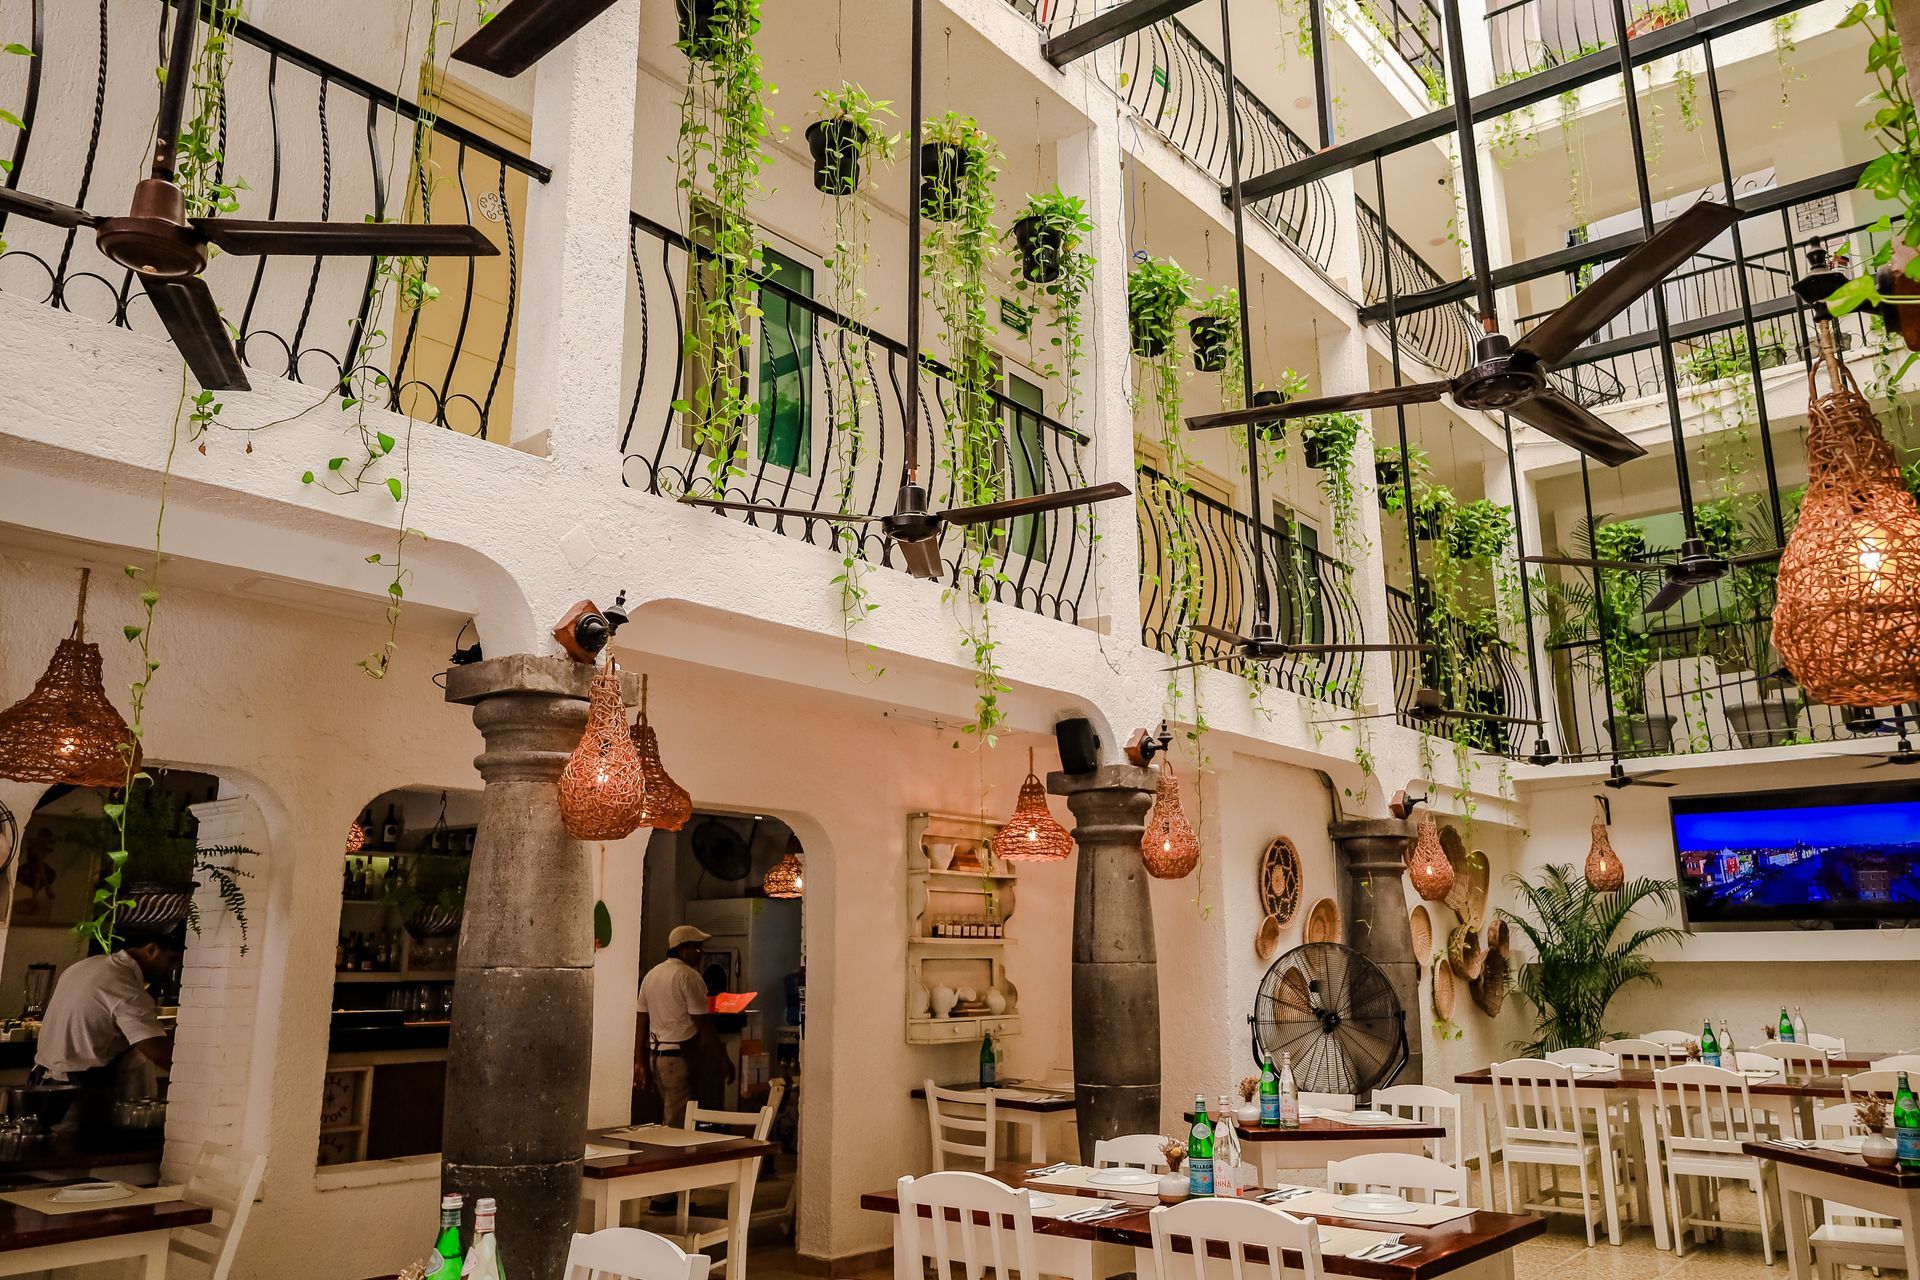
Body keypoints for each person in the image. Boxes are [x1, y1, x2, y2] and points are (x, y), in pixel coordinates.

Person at [32, 930, 182, 1143]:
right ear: (151, 950)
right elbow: (157, 1051)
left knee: (45, 1159)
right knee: (76, 1163)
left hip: (41, 1082)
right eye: (171, 960)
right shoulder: (125, 986)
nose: (172, 969)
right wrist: (197, 1080)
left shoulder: (89, 965)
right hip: (78, 1093)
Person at [634, 924, 735, 1127]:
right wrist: (722, 1058)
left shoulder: (652, 975)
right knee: (678, 1123)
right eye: (697, 948)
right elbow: (703, 1023)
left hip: (657, 1057)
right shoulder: (688, 976)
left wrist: (640, 1060)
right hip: (678, 1058)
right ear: (683, 949)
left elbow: (641, 1021)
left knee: (669, 1113)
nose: (701, 953)